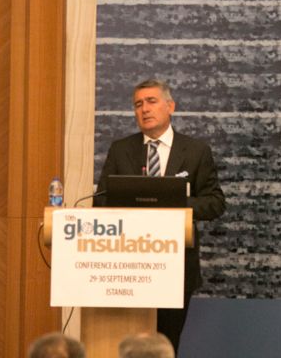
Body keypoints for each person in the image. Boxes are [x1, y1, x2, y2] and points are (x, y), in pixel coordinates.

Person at [95, 78, 226, 354]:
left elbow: (215, 203)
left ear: (170, 106)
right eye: (138, 104)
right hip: (127, 267)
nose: (144, 109)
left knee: (165, 346)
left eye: (151, 101)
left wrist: (173, 201)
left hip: (176, 267)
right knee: (128, 346)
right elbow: (101, 200)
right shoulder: (121, 149)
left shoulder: (196, 151)